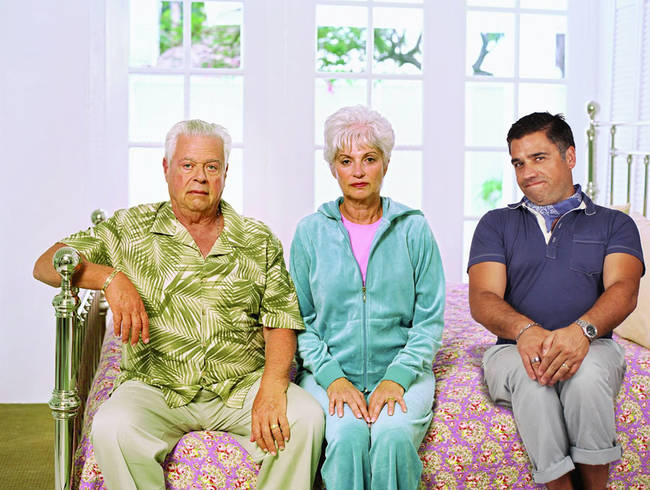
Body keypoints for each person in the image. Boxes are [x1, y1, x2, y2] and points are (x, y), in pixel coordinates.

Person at [33, 119, 324, 489]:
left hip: (240, 384)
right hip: (156, 385)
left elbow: (280, 319)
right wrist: (109, 279)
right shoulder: (128, 228)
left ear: (225, 174)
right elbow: (47, 264)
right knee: (111, 428)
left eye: (211, 167)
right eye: (188, 165)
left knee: (307, 419)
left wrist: (271, 386)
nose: (199, 177)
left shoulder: (258, 238)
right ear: (167, 169)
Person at [468, 112, 644, 489]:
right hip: (511, 348)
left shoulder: (615, 224)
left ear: (570, 157)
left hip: (595, 343)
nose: (527, 171)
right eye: (518, 162)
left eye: (539, 157)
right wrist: (524, 330)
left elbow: (624, 291)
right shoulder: (495, 224)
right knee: (534, 380)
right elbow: (483, 298)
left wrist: (581, 332)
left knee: (587, 376)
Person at [289, 105, 445, 490]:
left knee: (392, 437)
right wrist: (332, 379)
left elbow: (429, 322)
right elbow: (300, 321)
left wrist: (397, 378)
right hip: (330, 373)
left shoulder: (414, 229)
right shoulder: (309, 233)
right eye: (346, 161)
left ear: (385, 165)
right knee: (347, 436)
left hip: (403, 372)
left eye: (369, 159)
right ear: (333, 169)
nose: (358, 171)